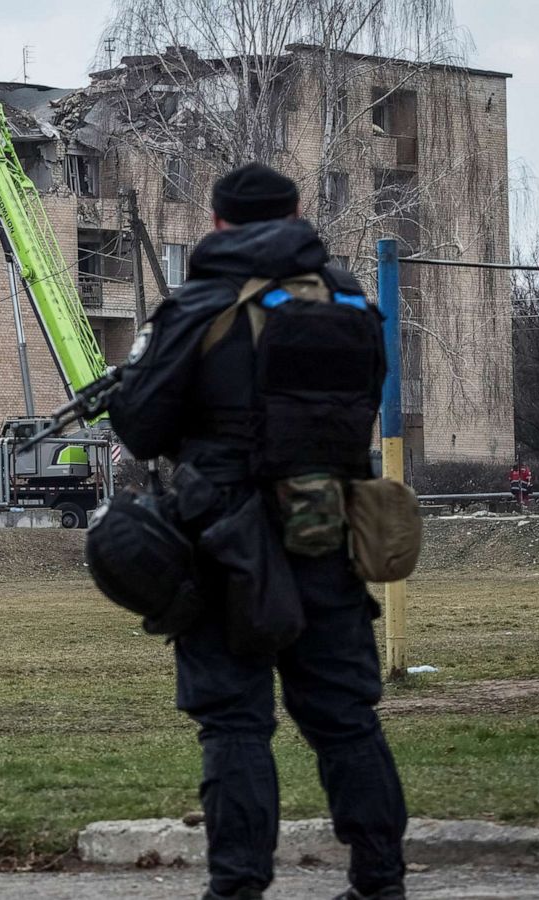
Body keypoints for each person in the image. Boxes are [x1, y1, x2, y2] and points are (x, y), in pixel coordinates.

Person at [106, 163, 406, 900]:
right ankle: (381, 883)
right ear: (297, 212)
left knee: (236, 726)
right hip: (327, 530)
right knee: (344, 718)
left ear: (217, 224)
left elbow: (140, 427)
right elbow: (366, 400)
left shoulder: (201, 304)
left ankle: (237, 888)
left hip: (223, 543)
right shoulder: (349, 301)